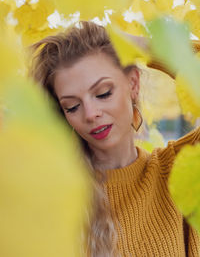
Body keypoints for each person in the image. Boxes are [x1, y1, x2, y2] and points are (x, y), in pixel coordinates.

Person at [29, 21, 200, 257]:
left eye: (103, 93)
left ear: (133, 84)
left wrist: (143, 47)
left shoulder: (178, 169)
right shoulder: (52, 196)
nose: (90, 114)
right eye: (72, 107)